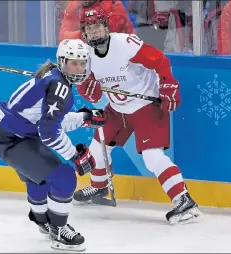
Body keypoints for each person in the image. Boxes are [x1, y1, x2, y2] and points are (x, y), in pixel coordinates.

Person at [73, 6, 203, 225]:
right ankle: (99, 187)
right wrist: (88, 87)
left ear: (106, 27)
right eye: (89, 29)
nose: (94, 32)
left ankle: (184, 201)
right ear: (84, 33)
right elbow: (93, 94)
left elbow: (160, 61)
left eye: (97, 27)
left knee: (152, 157)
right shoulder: (85, 55)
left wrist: (168, 83)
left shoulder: (124, 44)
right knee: (97, 148)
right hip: (117, 109)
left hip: (146, 106)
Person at [0, 39, 107, 251]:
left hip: (12, 135)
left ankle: (42, 220)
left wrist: (83, 118)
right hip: (14, 141)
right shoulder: (60, 86)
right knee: (64, 177)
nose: (79, 68)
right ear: (62, 62)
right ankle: (58, 230)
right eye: (73, 63)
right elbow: (49, 132)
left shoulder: (53, 77)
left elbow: (47, 121)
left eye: (82, 63)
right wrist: (74, 156)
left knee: (40, 179)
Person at [59, 0, 135, 43]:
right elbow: (63, 37)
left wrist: (81, 35)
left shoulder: (115, 5)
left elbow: (99, 35)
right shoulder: (74, 6)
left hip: (123, 56)